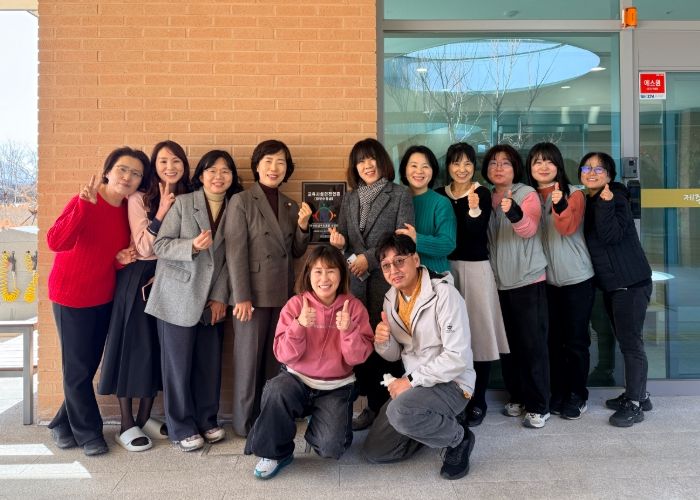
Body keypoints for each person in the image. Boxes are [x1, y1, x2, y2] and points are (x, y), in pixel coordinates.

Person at [46, 146, 148, 456]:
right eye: (122, 169)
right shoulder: (87, 199)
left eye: (135, 173)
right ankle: (89, 433)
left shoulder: (126, 210)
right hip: (70, 295)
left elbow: (106, 255)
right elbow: (56, 242)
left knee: (86, 368)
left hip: (102, 296)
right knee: (77, 369)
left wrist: (119, 259)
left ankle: (61, 423)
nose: (127, 177)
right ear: (107, 171)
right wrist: (81, 207)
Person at [246, 245, 374, 479]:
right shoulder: (296, 305)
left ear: (341, 275)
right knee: (276, 390)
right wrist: (299, 325)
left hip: (336, 386)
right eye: (318, 271)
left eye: (331, 271)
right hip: (297, 379)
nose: (324, 278)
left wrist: (348, 330)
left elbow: (358, 358)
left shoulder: (354, 308)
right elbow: (282, 354)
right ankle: (276, 453)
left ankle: (320, 419)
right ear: (308, 274)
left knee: (331, 448)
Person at [145, 150, 242, 451]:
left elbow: (231, 259)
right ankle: (181, 427)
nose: (218, 177)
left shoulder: (236, 207)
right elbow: (160, 245)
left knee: (208, 365)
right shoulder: (184, 203)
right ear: (201, 176)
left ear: (232, 177)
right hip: (177, 296)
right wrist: (193, 246)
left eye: (225, 171)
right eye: (212, 171)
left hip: (212, 299)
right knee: (177, 367)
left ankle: (206, 419)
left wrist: (220, 297)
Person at [98, 140, 191, 451]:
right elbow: (143, 247)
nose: (170, 167)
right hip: (138, 278)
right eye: (163, 161)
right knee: (131, 347)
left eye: (176, 161)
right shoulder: (139, 198)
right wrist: (161, 211)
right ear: (154, 166)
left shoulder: (189, 197)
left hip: (169, 278)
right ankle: (126, 423)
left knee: (156, 347)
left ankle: (144, 416)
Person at [363, 233, 476, 480]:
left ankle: (459, 438)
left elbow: (456, 357)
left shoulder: (444, 294)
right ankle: (431, 424)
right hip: (417, 385)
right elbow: (395, 354)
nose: (394, 270)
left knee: (399, 412)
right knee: (376, 451)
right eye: (386, 265)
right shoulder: (391, 299)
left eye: (399, 261)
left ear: (415, 259)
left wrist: (410, 381)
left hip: (452, 383)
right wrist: (383, 341)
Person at [225, 139, 312, 437]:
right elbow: (235, 252)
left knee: (276, 359)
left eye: (281, 162)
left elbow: (296, 252)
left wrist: (303, 226)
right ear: (257, 165)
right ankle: (244, 424)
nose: (274, 168)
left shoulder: (289, 204)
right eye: (268, 161)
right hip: (252, 295)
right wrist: (242, 296)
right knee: (248, 361)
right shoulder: (242, 201)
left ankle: (269, 415)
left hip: (282, 294)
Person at [329, 138, 414, 431]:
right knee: (361, 344)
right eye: (361, 161)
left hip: (388, 282)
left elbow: (402, 240)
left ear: (382, 162)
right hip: (356, 284)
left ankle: (389, 409)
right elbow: (344, 239)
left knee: (388, 343)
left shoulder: (400, 194)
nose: (367, 165)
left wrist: (369, 258)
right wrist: (340, 244)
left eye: (372, 159)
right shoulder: (350, 198)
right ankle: (370, 406)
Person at [435, 142, 508, 426]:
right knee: (447, 336)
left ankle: (478, 401)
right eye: (456, 163)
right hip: (445, 270)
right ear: (448, 167)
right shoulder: (439, 194)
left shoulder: (481, 193)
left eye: (467, 163)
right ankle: (453, 399)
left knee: (478, 335)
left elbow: (476, 233)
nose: (462, 169)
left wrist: (474, 209)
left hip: (476, 270)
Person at [578, 152, 653, 427]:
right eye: (587, 168)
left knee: (631, 344)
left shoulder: (616, 198)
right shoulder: (589, 200)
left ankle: (635, 404)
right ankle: (640, 395)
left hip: (630, 283)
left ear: (609, 175)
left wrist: (607, 204)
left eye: (599, 169)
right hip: (613, 284)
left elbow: (611, 236)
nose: (592, 172)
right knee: (625, 339)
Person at [525, 142, 595, 420]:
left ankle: (577, 394)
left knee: (576, 341)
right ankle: (559, 391)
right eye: (537, 162)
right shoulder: (528, 197)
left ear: (558, 166)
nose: (543, 167)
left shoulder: (574, 193)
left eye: (549, 161)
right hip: (545, 281)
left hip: (577, 277)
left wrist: (559, 203)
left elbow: (567, 227)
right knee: (552, 341)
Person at [483, 144, 550, 429]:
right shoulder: (484, 197)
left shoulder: (526, 194)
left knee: (532, 346)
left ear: (516, 168)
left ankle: (539, 405)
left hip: (527, 280)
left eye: (506, 163)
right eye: (493, 163)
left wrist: (513, 212)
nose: (499, 168)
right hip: (498, 284)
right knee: (508, 347)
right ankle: (518, 397)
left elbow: (529, 229)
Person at [396, 145, 456, 273]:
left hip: (434, 276)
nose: (419, 171)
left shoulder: (441, 203)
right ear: (404, 170)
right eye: (413, 166)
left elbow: (448, 244)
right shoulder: (396, 200)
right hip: (402, 276)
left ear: (433, 171)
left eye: (425, 166)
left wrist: (416, 239)